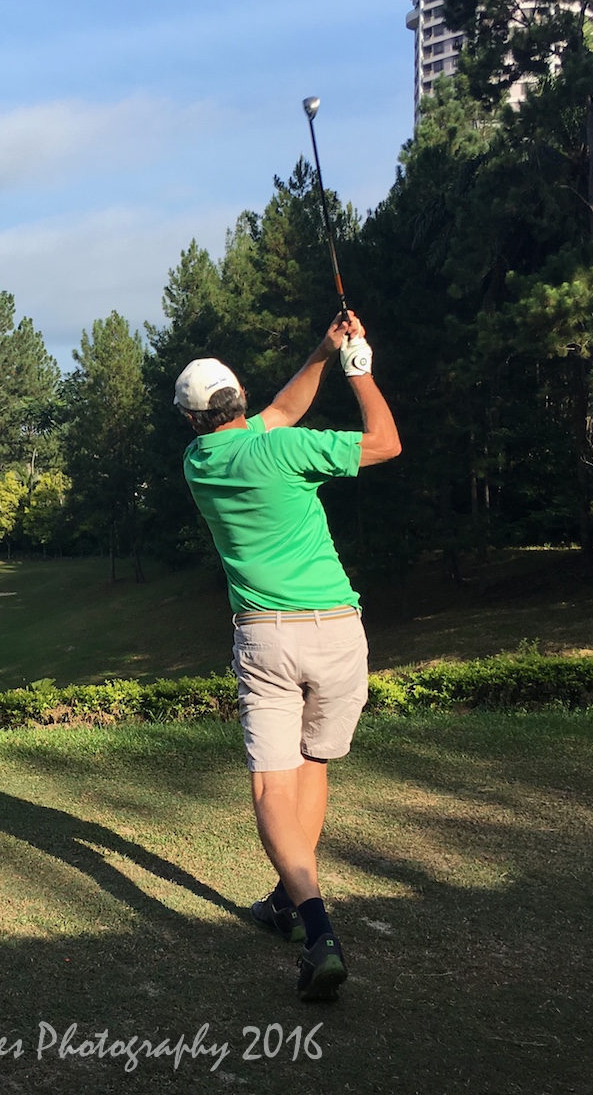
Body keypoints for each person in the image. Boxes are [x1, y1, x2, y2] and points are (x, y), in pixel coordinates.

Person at [174, 310, 399, 1002]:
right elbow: (384, 442)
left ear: (191, 420)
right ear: (239, 397)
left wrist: (322, 352)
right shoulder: (288, 448)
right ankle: (292, 905)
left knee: (275, 786)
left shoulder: (200, 462)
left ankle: (310, 922)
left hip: (266, 637)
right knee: (313, 766)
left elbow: (280, 410)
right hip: (337, 630)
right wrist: (358, 368)